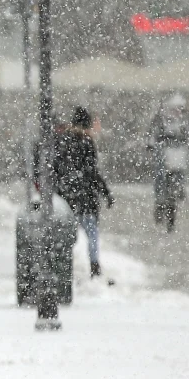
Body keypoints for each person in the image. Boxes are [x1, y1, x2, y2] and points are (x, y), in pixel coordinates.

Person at [54, 106, 113, 278]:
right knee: (92, 234)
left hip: (68, 198)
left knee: (67, 235)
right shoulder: (87, 143)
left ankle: (63, 265)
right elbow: (92, 172)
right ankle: (94, 267)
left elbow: (57, 170)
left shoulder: (63, 141)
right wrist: (105, 192)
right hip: (86, 198)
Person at [148, 94, 189, 232]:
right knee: (160, 178)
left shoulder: (184, 122)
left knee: (176, 179)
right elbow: (152, 137)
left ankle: (176, 193)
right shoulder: (160, 120)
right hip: (164, 156)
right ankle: (161, 202)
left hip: (177, 159)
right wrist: (153, 144)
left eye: (180, 108)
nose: (177, 111)